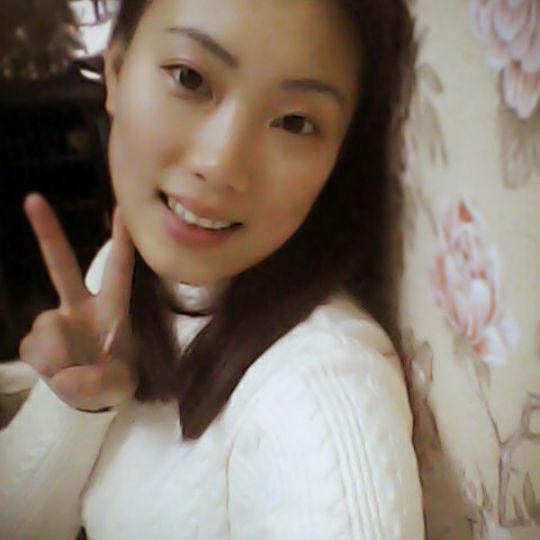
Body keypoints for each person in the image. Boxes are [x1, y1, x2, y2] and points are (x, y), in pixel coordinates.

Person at [0, 0, 424, 538]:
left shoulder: (321, 391)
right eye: (190, 78)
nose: (221, 165)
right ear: (116, 68)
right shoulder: (125, 275)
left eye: (295, 122)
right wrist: (77, 406)